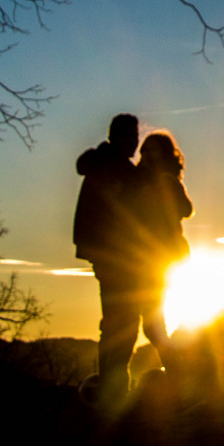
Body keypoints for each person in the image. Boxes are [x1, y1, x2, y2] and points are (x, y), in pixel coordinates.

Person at [73, 113, 142, 402]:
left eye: (135, 135)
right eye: (128, 135)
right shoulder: (108, 166)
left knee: (122, 323)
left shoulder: (118, 167)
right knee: (119, 323)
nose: (134, 141)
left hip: (121, 257)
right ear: (114, 137)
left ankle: (113, 388)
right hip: (115, 257)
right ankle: (112, 391)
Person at [127, 129, 193, 370]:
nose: (149, 155)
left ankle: (177, 369)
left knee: (152, 322)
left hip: (161, 258)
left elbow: (186, 209)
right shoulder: (138, 178)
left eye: (155, 150)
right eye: (147, 149)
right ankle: (177, 368)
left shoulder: (166, 180)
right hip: (146, 257)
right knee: (150, 321)